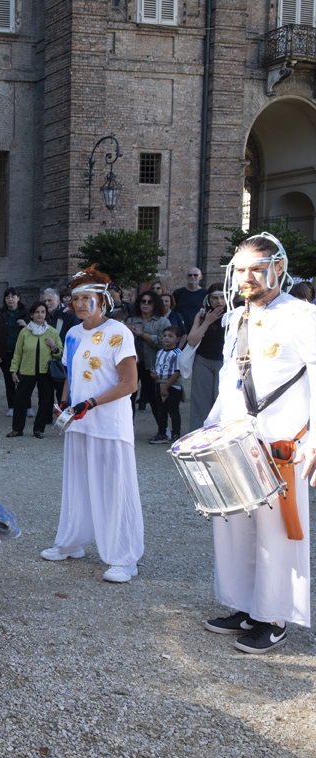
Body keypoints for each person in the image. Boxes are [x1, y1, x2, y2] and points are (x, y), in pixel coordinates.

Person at [202, 234, 316, 653]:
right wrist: (210, 430)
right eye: (240, 269)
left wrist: (315, 441)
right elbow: (229, 382)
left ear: (278, 269)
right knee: (234, 528)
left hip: (281, 447)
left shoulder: (303, 315)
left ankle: (274, 616)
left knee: (276, 536)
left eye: (255, 268)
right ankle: (246, 605)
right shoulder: (235, 318)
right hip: (236, 444)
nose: (246, 277)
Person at [40, 266, 143, 583]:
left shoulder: (119, 333)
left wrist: (92, 403)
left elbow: (130, 383)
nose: (79, 304)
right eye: (75, 299)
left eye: (86, 298)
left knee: (114, 488)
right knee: (77, 483)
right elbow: (71, 373)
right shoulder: (71, 333)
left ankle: (125, 557)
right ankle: (71, 542)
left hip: (109, 424)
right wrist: (64, 403)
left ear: (103, 300)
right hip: (79, 423)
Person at [7, 300, 63, 439]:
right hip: (27, 371)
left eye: (42, 312)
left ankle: (39, 429)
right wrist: (14, 371)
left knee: (45, 401)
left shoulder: (52, 332)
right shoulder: (25, 332)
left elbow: (60, 353)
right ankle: (17, 429)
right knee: (20, 400)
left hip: (46, 372)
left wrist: (53, 346)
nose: (40, 314)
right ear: (31, 314)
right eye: (37, 312)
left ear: (46, 314)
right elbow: (18, 353)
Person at [184, 285, 227, 433]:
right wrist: (208, 321)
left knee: (221, 401)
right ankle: (198, 434)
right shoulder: (201, 315)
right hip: (203, 361)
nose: (219, 301)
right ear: (209, 299)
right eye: (215, 298)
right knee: (200, 402)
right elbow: (191, 340)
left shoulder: (234, 314)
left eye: (222, 297)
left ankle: (220, 435)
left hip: (224, 362)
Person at [126, 291, 167, 416]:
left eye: (150, 302)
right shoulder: (130, 321)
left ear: (155, 304)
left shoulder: (162, 322)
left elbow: (165, 342)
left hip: (152, 365)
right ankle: (128, 431)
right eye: (143, 301)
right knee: (129, 398)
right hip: (132, 364)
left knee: (154, 398)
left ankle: (162, 431)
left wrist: (141, 334)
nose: (146, 304)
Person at [0, 288, 28, 417]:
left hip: (23, 353)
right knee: (9, 380)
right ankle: (11, 406)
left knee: (24, 380)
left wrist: (26, 324)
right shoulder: (0, 314)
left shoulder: (25, 313)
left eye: (13, 296)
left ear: (18, 298)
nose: (10, 299)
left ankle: (27, 406)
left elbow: (36, 329)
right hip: (5, 352)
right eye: (7, 297)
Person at [150, 326, 184, 443]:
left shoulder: (177, 353)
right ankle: (162, 433)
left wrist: (165, 387)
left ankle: (176, 434)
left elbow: (177, 372)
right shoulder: (160, 352)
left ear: (177, 339)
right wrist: (156, 375)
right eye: (164, 336)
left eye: (170, 336)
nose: (166, 338)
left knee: (173, 410)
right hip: (159, 384)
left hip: (172, 386)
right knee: (161, 410)